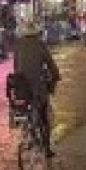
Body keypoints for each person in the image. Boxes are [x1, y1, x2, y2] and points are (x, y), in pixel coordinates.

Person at [12, 20, 61, 157]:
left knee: (27, 110)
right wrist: (56, 77)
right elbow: (52, 66)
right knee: (44, 117)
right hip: (37, 89)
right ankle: (47, 149)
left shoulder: (18, 45)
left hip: (20, 89)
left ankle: (31, 133)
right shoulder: (40, 45)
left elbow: (16, 67)